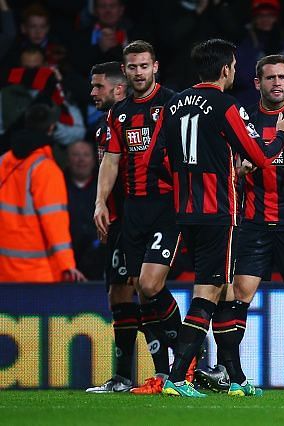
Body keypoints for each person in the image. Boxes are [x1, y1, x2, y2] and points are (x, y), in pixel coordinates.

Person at [152, 39, 284, 398]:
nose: (234, 71)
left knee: (224, 291)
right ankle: (177, 378)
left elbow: (157, 160)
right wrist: (283, 134)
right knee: (209, 293)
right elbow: (262, 156)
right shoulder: (226, 105)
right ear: (224, 70)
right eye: (234, 66)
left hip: (184, 212)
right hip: (218, 212)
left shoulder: (171, 104)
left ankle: (235, 378)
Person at [195, 54, 284, 395]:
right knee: (238, 295)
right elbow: (224, 167)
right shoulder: (244, 118)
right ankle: (233, 374)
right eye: (270, 77)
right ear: (257, 83)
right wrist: (239, 171)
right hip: (253, 224)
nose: (277, 83)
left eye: (282, 77)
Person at [94, 41, 181, 395]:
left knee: (148, 285)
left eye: (144, 66)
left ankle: (192, 348)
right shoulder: (121, 113)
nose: (139, 73)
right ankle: (163, 374)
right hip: (133, 210)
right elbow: (111, 160)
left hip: (166, 206)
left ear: (155, 67)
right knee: (140, 291)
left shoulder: (173, 104)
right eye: (132, 67)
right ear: (126, 71)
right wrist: (100, 202)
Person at [85, 61, 139, 393]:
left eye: (98, 86)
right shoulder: (104, 126)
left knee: (144, 289)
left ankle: (183, 354)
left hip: (138, 220)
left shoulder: (134, 122)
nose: (92, 92)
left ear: (118, 89)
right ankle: (121, 376)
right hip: (116, 222)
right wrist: (102, 205)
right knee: (117, 293)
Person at [0, 104, 85, 282]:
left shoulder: (4, 161)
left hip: (4, 274)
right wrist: (67, 266)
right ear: (52, 128)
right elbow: (54, 222)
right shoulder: (46, 170)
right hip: (36, 276)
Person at [64, 140, 102, 279]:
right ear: (68, 160)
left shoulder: (105, 186)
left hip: (98, 259)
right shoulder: (57, 183)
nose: (81, 160)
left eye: (86, 155)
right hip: (68, 257)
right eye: (76, 155)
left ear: (94, 160)